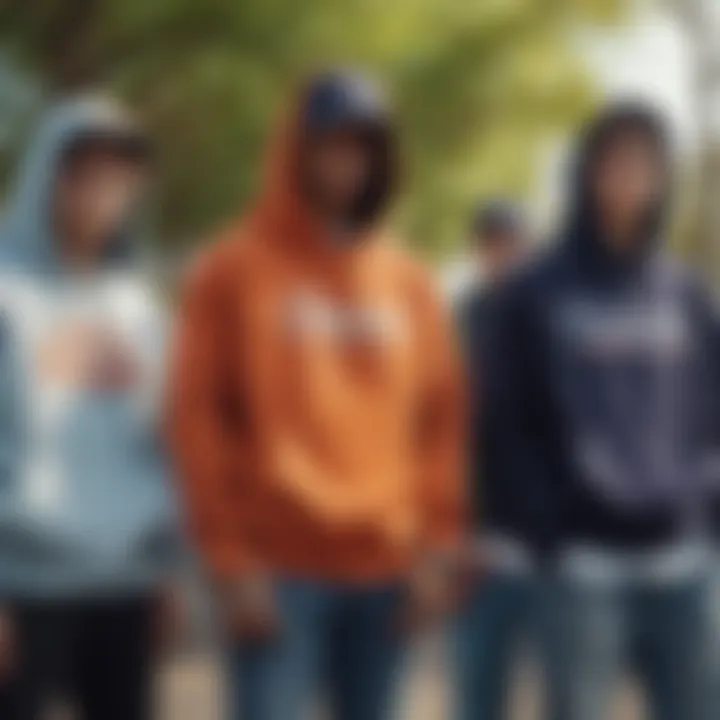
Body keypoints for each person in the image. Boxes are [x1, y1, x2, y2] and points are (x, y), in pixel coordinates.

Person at [169, 70, 465, 720]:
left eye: (365, 146)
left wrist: (438, 548)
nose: (347, 161)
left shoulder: (409, 282)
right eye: (331, 142)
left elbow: (440, 423)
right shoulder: (233, 267)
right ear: (294, 149)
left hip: (387, 575)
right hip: (277, 575)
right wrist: (229, 559)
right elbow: (197, 420)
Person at [486, 103, 716, 720]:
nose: (631, 175)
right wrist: (548, 531)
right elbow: (503, 426)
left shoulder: (686, 294)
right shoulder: (535, 292)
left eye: (647, 162)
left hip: (685, 564)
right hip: (581, 567)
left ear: (664, 179)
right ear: (587, 173)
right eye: (615, 161)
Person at [0, 97, 182, 720]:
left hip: (126, 584)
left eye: (120, 179)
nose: (104, 193)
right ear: (50, 175)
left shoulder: (140, 308)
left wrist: (166, 569)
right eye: (87, 174)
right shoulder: (6, 292)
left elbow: (158, 444)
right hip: (25, 585)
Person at [452, 201, 533, 720]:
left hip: (557, 541)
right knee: (479, 680)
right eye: (490, 242)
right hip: (478, 530)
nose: (501, 253)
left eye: (511, 241)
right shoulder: (462, 317)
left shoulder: (557, 310)